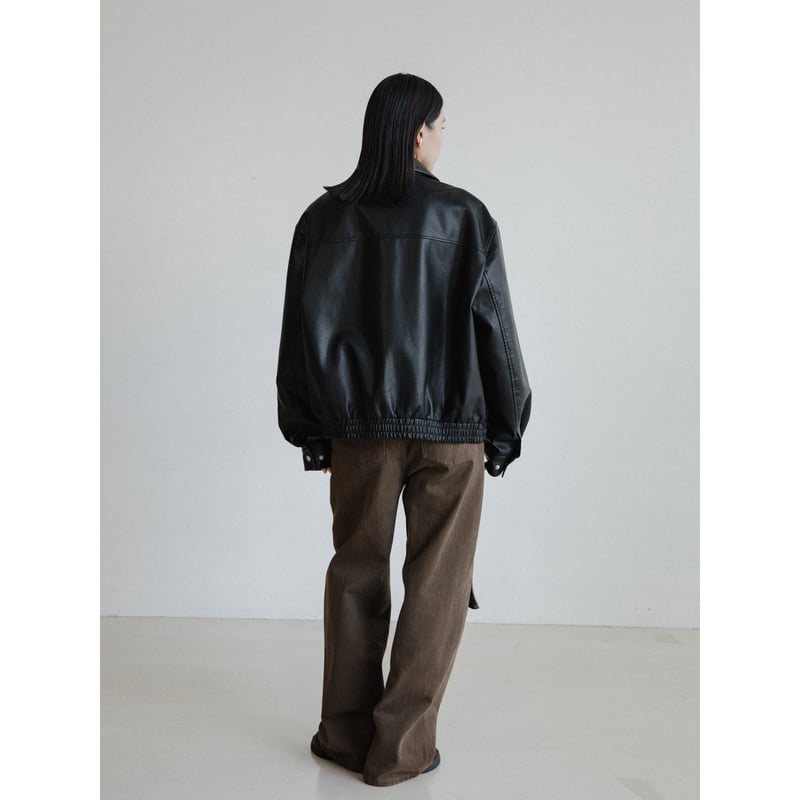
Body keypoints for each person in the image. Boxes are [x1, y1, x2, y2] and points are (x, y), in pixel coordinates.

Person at [276, 72, 532, 787]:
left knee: (356, 573)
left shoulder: (322, 221)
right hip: (453, 432)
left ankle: (343, 735)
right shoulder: (466, 217)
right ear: (419, 132)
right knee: (439, 586)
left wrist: (312, 432)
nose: (442, 138)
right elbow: (496, 332)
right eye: (440, 126)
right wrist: (506, 428)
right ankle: (402, 752)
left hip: (359, 432)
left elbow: (299, 338)